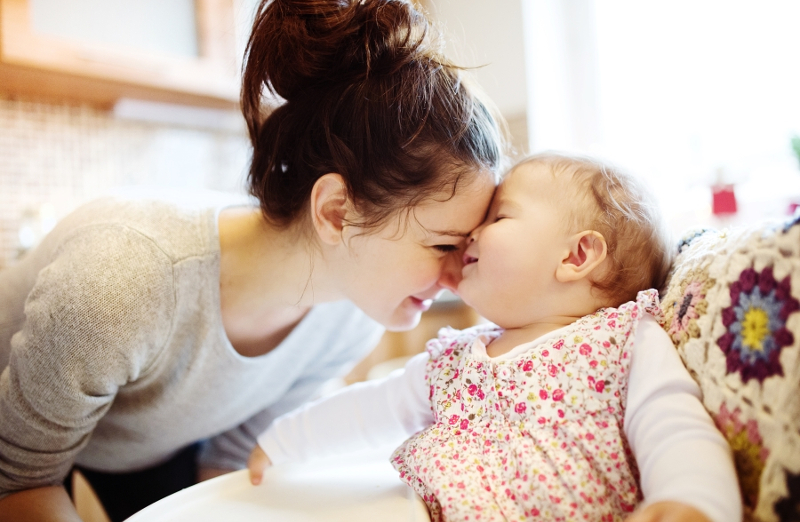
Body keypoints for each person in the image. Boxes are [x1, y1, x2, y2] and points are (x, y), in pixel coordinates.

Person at [0, 0, 505, 520]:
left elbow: (230, 464)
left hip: (154, 442)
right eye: (444, 244)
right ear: (336, 212)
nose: (457, 279)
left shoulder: (355, 319)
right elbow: (18, 480)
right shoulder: (121, 278)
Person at [247, 153, 742, 522]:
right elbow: (369, 409)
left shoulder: (624, 342)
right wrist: (283, 441)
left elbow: (674, 425)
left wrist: (691, 500)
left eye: (498, 217)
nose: (470, 236)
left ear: (575, 257)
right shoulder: (453, 361)